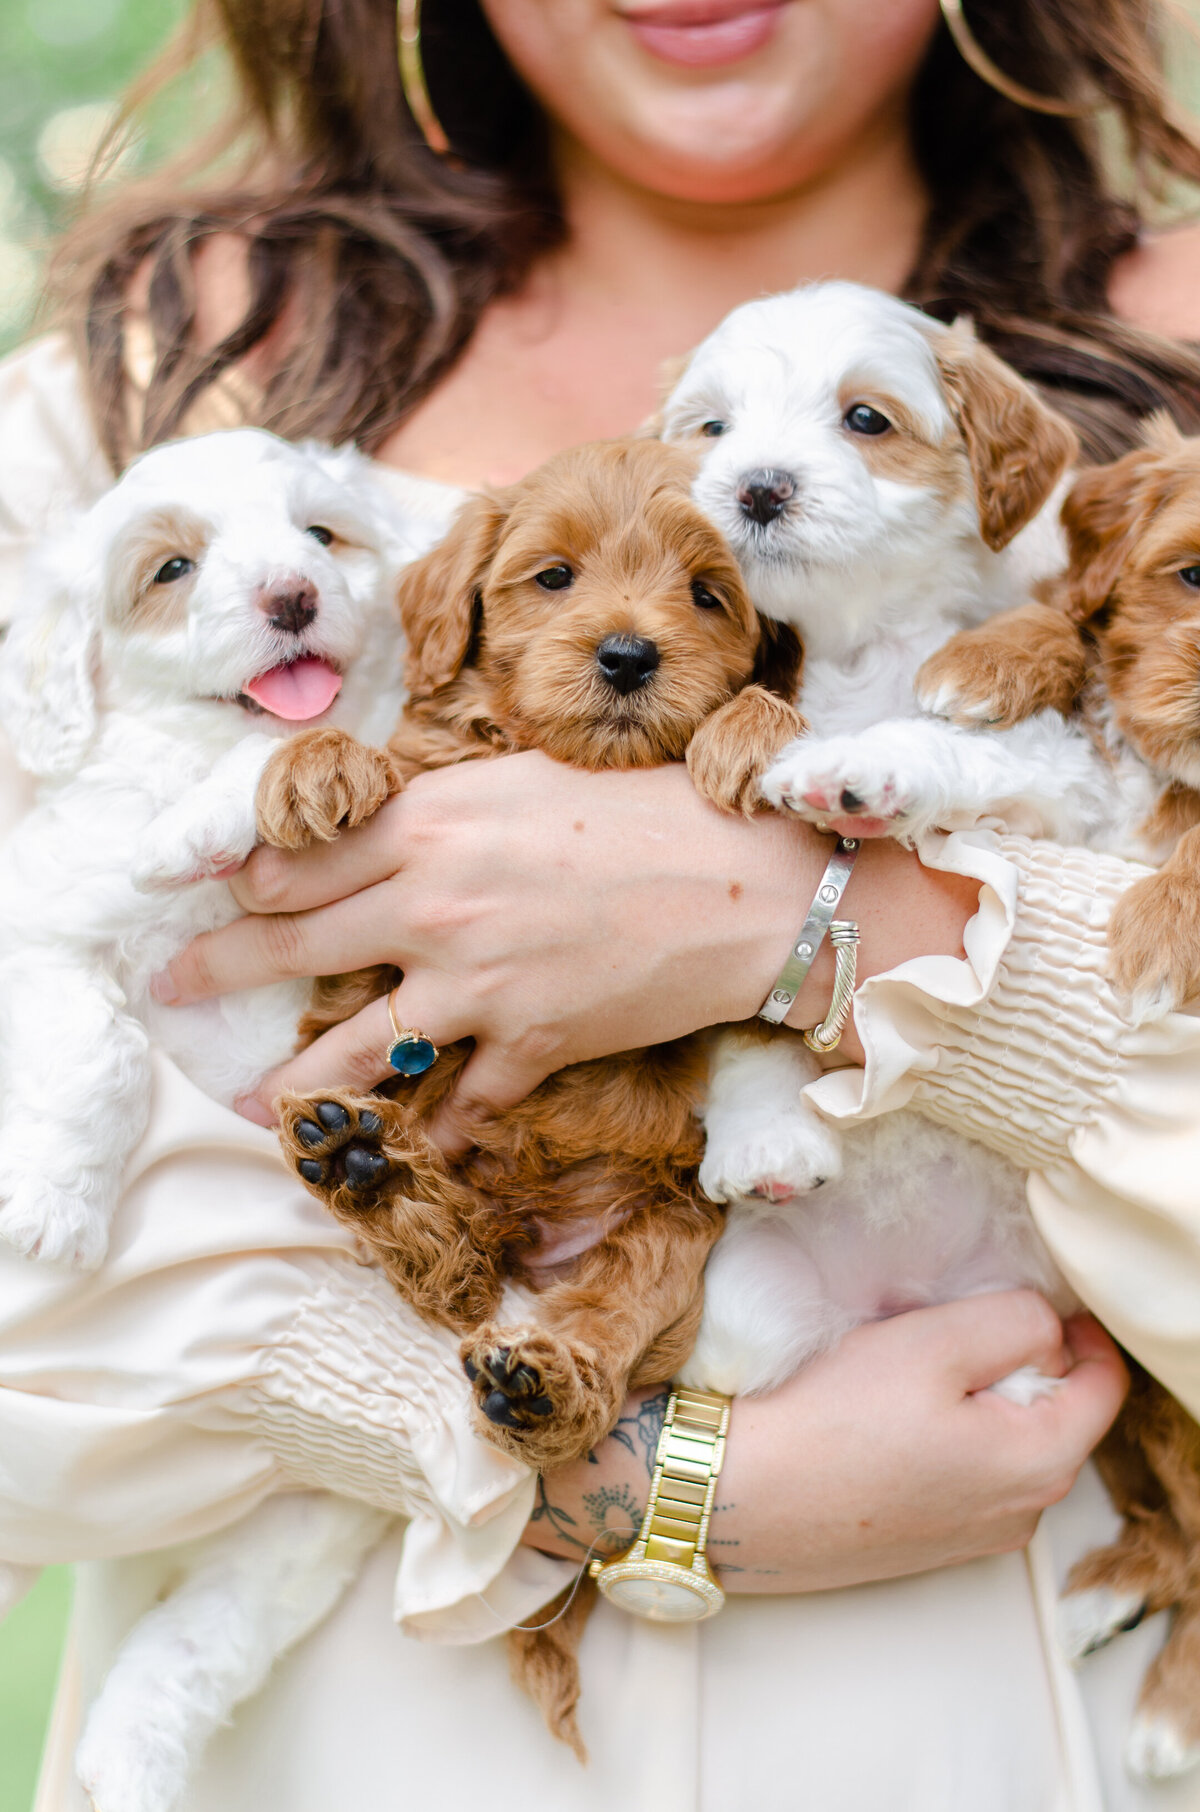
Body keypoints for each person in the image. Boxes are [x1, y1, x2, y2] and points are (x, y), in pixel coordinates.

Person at [4, 0, 1200, 1805]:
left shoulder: (1161, 375)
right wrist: (557, 1457)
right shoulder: (162, 382)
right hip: (363, 1730)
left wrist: (826, 932)